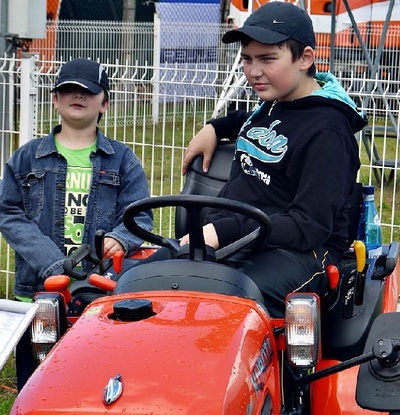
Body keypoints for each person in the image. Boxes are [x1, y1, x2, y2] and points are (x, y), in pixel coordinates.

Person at [180, 1, 367, 318]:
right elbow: (262, 123)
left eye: (267, 59)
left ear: (305, 58)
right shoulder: (274, 104)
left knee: (224, 304)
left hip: (301, 251)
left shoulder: (328, 134)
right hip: (240, 239)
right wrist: (215, 127)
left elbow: (309, 226)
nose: (253, 72)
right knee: (141, 284)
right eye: (247, 59)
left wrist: (226, 231)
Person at [0, 58, 153, 389]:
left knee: (94, 379)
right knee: (37, 380)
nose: (77, 96)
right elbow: (8, 212)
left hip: (98, 292)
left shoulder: (123, 160)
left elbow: (139, 215)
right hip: (40, 293)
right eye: (68, 90)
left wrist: (120, 238)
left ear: (105, 103)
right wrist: (53, 263)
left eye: (87, 91)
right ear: (55, 100)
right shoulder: (25, 158)